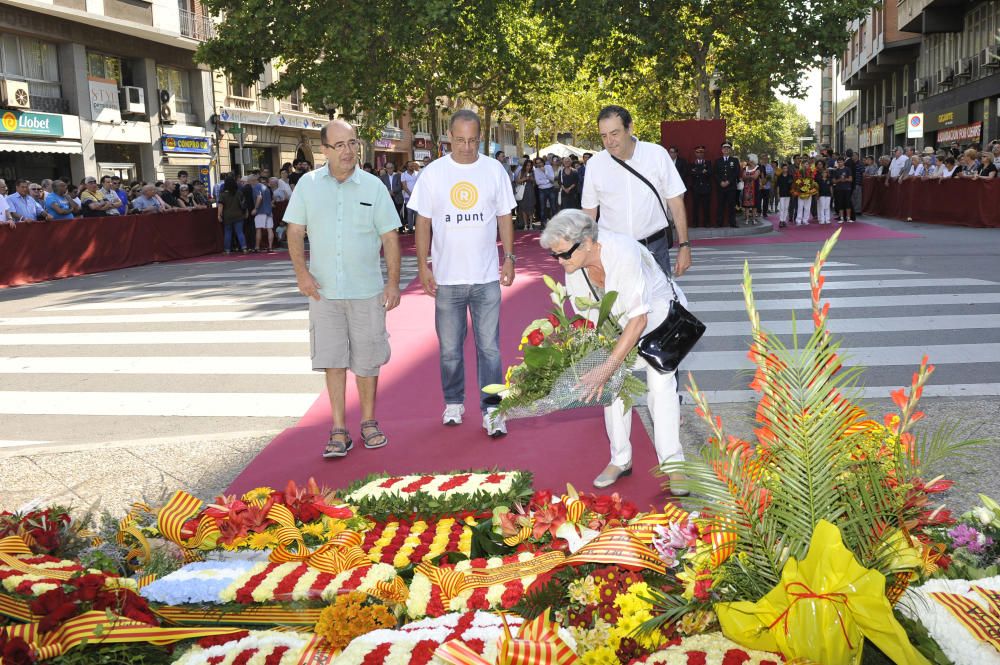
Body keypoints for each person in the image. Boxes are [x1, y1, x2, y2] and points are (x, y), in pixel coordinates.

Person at [540, 209, 688, 493]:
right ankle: (620, 459)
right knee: (611, 388)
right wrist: (593, 361)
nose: (559, 261)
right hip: (618, 325)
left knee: (661, 387)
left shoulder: (623, 252)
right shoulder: (575, 271)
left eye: (563, 254)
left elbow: (640, 319)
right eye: (554, 255)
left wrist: (607, 366)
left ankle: (674, 464)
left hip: (660, 317)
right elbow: (590, 321)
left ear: (586, 242)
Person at [286, 119, 401, 458]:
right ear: (325, 150)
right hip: (323, 292)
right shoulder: (307, 185)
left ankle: (369, 421)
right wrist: (302, 274)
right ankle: (338, 428)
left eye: (353, 143)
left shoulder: (373, 187)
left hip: (367, 291)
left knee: (367, 361)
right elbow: (295, 232)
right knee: (333, 361)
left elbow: (390, 237)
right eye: (341, 145)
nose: (349, 151)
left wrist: (393, 283)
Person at [408, 109, 516, 437]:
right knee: (450, 350)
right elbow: (423, 222)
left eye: (472, 140)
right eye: (460, 140)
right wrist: (423, 264)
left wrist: (509, 257)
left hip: (485, 278)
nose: (467, 147)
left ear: (480, 138)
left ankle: (494, 408)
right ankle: (453, 402)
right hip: (447, 279)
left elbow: (504, 216)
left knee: (491, 349)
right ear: (448, 139)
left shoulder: (494, 170)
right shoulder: (433, 173)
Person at [581, 105, 691, 279]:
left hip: (654, 249)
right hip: (612, 252)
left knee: (661, 305)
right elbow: (589, 211)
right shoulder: (595, 164)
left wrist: (684, 246)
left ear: (630, 128)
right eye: (604, 136)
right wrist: (586, 252)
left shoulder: (657, 155)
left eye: (614, 133)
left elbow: (676, 202)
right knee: (618, 306)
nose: (609, 141)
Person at [216, 177, 249, 254]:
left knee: (228, 232)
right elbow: (244, 204)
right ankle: (244, 248)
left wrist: (219, 215)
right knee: (240, 232)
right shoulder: (239, 193)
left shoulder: (222, 194)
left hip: (227, 216)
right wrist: (246, 212)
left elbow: (220, 206)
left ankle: (227, 250)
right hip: (239, 215)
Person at [714, 141, 741, 227]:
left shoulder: (735, 160)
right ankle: (719, 223)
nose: (726, 149)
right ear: (722, 150)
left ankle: (732, 223)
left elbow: (736, 172)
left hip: (731, 187)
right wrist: (720, 182)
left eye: (728, 148)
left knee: (731, 205)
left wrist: (729, 181)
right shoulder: (718, 161)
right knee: (720, 205)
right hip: (721, 187)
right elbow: (715, 173)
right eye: (724, 148)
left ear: (730, 150)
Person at [687, 145, 712, 227]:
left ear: (704, 153)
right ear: (695, 153)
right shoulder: (692, 164)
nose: (700, 154)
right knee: (695, 207)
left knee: (706, 207)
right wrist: (702, 171)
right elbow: (691, 174)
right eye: (698, 152)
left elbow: (710, 173)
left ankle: (707, 223)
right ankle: (695, 223)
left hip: (706, 188)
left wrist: (697, 171)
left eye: (701, 152)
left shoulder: (708, 163)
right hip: (695, 188)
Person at [253, 174, 275, 252]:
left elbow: (259, 197)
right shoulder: (267, 189)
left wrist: (255, 208)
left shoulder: (257, 186)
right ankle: (270, 247)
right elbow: (272, 200)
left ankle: (257, 247)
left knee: (258, 229)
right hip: (269, 211)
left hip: (260, 211)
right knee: (270, 229)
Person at [533, 155, 557, 226]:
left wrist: (545, 172)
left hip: (551, 189)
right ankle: (543, 224)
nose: (539, 164)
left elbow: (552, 179)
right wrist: (547, 181)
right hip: (542, 190)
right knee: (542, 208)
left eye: (540, 162)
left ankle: (555, 223)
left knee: (553, 207)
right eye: (537, 163)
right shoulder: (536, 170)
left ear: (543, 162)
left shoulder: (548, 167)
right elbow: (537, 182)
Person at [380, 162, 404, 227]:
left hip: (397, 198)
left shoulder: (399, 176)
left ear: (393, 168)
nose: (390, 169)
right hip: (388, 198)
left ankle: (401, 228)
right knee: (389, 213)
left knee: (398, 213)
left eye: (391, 168)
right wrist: (388, 192)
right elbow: (382, 187)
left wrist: (392, 191)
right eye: (388, 168)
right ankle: (391, 228)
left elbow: (400, 186)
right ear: (386, 169)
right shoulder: (383, 177)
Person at [515, 159, 537, 230]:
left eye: (530, 165)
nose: (529, 167)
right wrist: (525, 178)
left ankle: (530, 224)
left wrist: (531, 179)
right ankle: (525, 225)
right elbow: (517, 181)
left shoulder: (533, 172)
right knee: (524, 208)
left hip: (530, 190)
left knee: (531, 208)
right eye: (527, 165)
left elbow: (535, 182)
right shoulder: (521, 171)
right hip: (523, 191)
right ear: (525, 165)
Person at [400, 160, 420, 233]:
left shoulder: (417, 173)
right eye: (410, 166)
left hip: (417, 197)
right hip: (407, 197)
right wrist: (411, 194)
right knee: (409, 213)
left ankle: (417, 228)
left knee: (417, 213)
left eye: (413, 165)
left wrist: (415, 194)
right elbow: (404, 186)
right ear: (407, 167)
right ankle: (411, 228)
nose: (412, 167)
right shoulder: (403, 174)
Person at [832, 157, 853, 223]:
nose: (840, 163)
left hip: (847, 188)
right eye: (838, 162)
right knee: (840, 203)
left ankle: (848, 218)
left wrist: (845, 179)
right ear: (837, 163)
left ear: (844, 162)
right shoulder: (836, 170)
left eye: (841, 162)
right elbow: (834, 181)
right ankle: (841, 218)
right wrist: (839, 180)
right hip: (839, 189)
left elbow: (851, 179)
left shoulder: (848, 169)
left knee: (848, 203)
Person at [740, 155, 760, 225]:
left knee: (754, 205)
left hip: (755, 189)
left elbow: (755, 177)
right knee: (746, 205)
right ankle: (747, 219)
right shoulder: (745, 168)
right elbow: (743, 177)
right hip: (747, 189)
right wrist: (750, 176)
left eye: (749, 159)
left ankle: (754, 219)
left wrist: (747, 176)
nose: (748, 161)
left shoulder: (757, 168)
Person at [776, 164, 793, 228]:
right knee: (782, 208)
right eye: (784, 168)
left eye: (786, 168)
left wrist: (792, 192)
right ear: (782, 169)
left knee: (786, 208)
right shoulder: (779, 177)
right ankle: (781, 220)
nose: (785, 169)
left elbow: (792, 186)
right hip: (782, 194)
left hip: (788, 194)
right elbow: (778, 186)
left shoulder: (790, 176)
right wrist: (778, 194)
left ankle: (784, 221)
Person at [815, 161, 832, 225]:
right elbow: (817, 188)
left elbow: (831, 187)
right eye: (823, 173)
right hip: (821, 194)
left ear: (827, 173)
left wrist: (831, 194)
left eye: (826, 173)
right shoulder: (819, 180)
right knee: (822, 207)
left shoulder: (829, 180)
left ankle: (827, 219)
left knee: (827, 207)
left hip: (828, 195)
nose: (825, 174)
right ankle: (822, 219)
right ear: (821, 174)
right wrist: (817, 194)